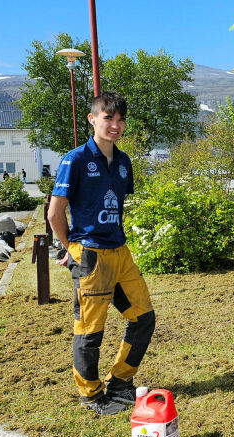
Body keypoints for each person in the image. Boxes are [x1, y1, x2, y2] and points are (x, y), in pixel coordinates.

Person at [47, 91, 156, 415]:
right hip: (91, 255)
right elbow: (55, 213)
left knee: (143, 318)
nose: (116, 125)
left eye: (121, 119)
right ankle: (92, 395)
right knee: (90, 331)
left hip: (120, 253)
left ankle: (120, 382)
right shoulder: (75, 159)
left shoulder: (123, 162)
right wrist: (70, 249)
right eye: (109, 118)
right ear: (93, 119)